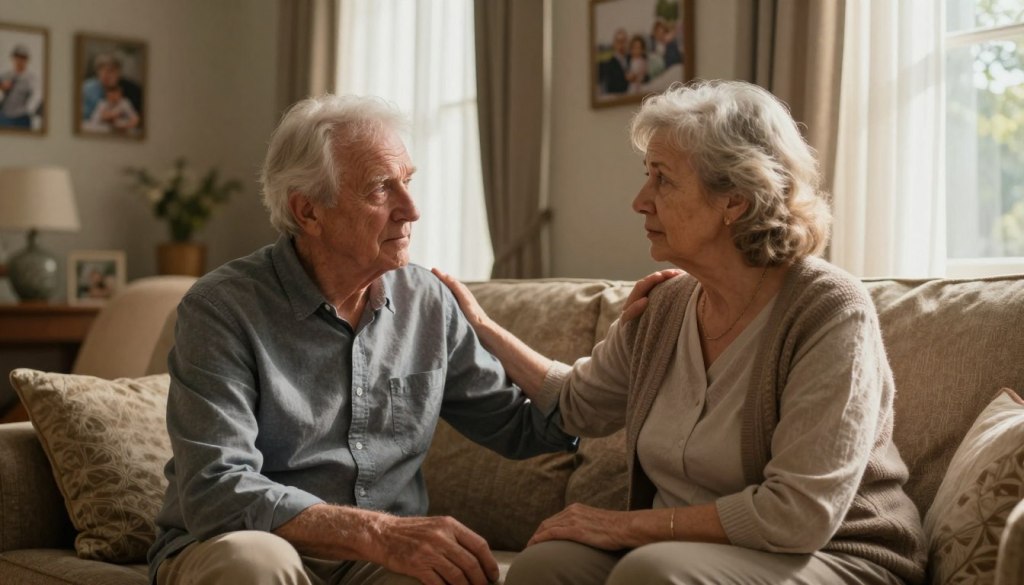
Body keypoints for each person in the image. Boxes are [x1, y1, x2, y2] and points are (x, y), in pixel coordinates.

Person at [434, 80, 927, 585]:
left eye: (663, 180)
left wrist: (625, 526)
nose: (640, 201)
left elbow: (798, 515)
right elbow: (575, 402)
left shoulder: (827, 309)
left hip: (832, 553)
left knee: (650, 571)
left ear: (733, 200)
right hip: (684, 552)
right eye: (646, 176)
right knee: (545, 565)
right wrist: (479, 325)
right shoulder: (667, 306)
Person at [147, 94, 576, 585]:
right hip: (239, 541)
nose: (410, 209)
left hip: (374, 561)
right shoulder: (222, 309)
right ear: (308, 212)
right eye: (380, 189)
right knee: (255, 565)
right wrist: (377, 533)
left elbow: (524, 427)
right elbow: (217, 491)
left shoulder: (427, 302)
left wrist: (623, 360)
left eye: (408, 182)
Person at [81, 52, 143, 125]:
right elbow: (83, 117)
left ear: (119, 72)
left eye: (110, 71)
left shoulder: (133, 90)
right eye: (101, 70)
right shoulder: (86, 88)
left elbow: (137, 118)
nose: (105, 75)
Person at [0, 44, 41, 129]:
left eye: (23, 58)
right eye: (17, 57)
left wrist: (28, 111)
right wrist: (2, 87)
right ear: (13, 59)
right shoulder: (5, 75)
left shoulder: (31, 78)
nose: (19, 61)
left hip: (21, 117)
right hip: (4, 115)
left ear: (27, 60)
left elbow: (36, 96)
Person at [599, 28, 630, 95]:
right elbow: (611, 87)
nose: (622, 44)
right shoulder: (609, 65)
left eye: (624, 41)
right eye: (619, 41)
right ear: (614, 43)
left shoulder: (631, 58)